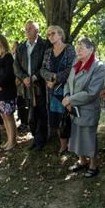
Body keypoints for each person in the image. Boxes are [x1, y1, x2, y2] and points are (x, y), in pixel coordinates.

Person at [62, 37, 105, 178]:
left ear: (91, 50)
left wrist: (70, 100)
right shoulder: (76, 61)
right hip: (73, 108)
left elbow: (92, 93)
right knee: (76, 134)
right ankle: (82, 161)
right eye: (77, 47)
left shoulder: (98, 66)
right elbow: (68, 82)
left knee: (89, 137)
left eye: (82, 47)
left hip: (88, 109)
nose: (78, 50)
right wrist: (67, 98)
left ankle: (93, 165)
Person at [40, 25, 76, 155]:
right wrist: (51, 77)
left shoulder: (69, 49)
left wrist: (56, 78)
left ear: (60, 34)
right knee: (56, 117)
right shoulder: (48, 52)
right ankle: (63, 145)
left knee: (68, 117)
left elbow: (71, 67)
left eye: (53, 33)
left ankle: (73, 144)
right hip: (52, 91)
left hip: (66, 89)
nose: (50, 36)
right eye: (48, 34)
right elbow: (42, 69)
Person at [14, 21, 48, 151]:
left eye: (30, 29)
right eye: (26, 29)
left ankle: (41, 140)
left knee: (40, 112)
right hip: (26, 87)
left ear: (37, 31)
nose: (27, 31)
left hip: (39, 85)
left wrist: (34, 77)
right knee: (31, 113)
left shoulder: (44, 45)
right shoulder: (21, 47)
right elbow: (16, 66)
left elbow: (45, 65)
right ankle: (35, 137)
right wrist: (24, 78)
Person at [0, 34, 17, 151]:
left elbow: (9, 74)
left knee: (8, 115)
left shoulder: (8, 57)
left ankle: (13, 140)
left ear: (1, 42)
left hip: (7, 90)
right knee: (3, 115)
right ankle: (9, 139)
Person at [12, 41, 29, 133]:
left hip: (22, 85)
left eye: (14, 46)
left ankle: (25, 123)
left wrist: (19, 80)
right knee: (19, 105)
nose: (13, 48)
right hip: (16, 87)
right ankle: (22, 122)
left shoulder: (20, 57)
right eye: (12, 47)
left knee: (23, 104)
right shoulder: (13, 57)